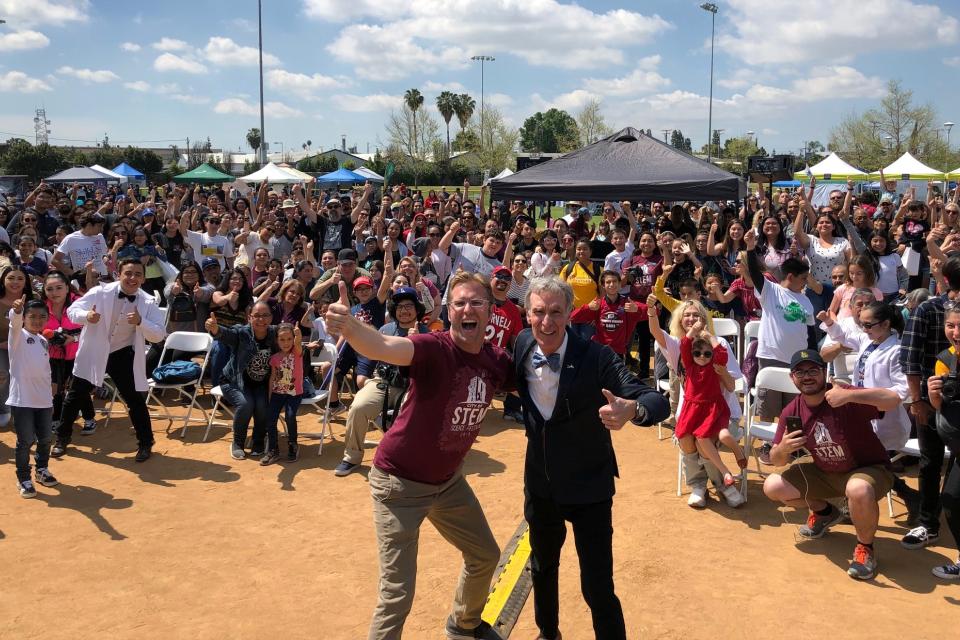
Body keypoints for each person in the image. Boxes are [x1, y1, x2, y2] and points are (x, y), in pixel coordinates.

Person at [513, 277, 667, 640]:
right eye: (538, 312)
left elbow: (655, 401)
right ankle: (548, 633)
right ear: (527, 314)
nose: (546, 322)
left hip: (589, 487)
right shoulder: (521, 343)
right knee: (542, 568)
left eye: (556, 312)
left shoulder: (597, 357)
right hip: (540, 484)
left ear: (570, 313)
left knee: (597, 586)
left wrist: (633, 410)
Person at [763, 349, 901, 580]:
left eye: (813, 370)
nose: (807, 377)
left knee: (857, 489)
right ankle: (825, 513)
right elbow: (776, 460)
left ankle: (865, 548)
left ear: (824, 372)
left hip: (868, 469)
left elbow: (893, 400)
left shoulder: (843, 395)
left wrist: (850, 396)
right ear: (792, 377)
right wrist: (783, 448)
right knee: (773, 486)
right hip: (825, 471)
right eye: (800, 372)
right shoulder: (792, 411)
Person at [51, 259, 167, 462]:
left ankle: (145, 443)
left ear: (143, 278)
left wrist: (141, 321)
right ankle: (62, 438)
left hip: (122, 354)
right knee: (75, 395)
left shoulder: (148, 301)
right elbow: (72, 311)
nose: (132, 278)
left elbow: (158, 335)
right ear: (118, 274)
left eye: (138, 274)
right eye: (128, 273)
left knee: (134, 400)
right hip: (94, 351)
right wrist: (87, 315)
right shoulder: (99, 292)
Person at [334, 287, 429, 477]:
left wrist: (416, 341)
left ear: (417, 309)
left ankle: (404, 458)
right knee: (358, 407)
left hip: (412, 386)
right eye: (399, 307)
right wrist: (363, 375)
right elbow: (370, 355)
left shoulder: (427, 333)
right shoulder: (386, 330)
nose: (404, 310)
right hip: (383, 382)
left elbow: (429, 368)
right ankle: (352, 456)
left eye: (408, 306)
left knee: (410, 414)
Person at [899, 256, 960, 550]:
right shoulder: (928, 309)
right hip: (931, 399)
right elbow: (910, 359)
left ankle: (948, 515)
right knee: (930, 462)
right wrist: (917, 401)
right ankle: (928, 523)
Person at [674, 317, 745, 487]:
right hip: (693, 410)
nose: (702, 357)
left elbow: (722, 354)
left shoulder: (715, 367)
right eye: (697, 353)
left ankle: (732, 460)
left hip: (712, 409)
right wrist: (693, 330)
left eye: (707, 354)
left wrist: (709, 336)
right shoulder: (689, 366)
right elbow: (684, 345)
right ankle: (723, 472)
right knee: (691, 437)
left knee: (712, 437)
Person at [205, 301, 277, 460]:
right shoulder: (241, 332)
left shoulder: (274, 334)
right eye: (257, 316)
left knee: (262, 405)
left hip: (260, 384)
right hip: (234, 382)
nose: (261, 319)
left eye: (265, 315)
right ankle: (238, 442)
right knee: (246, 404)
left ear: (271, 318)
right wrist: (215, 329)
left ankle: (258, 439)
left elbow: (290, 340)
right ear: (249, 318)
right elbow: (226, 334)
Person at [10, 296, 58, 498]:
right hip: (23, 400)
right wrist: (16, 311)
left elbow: (45, 371)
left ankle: (41, 470)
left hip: (44, 400)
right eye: (32, 316)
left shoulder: (43, 340)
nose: (37, 320)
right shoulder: (18, 336)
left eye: (42, 316)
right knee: (26, 441)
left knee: (46, 438)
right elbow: (14, 323)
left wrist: (50, 396)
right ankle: (24, 478)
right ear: (24, 318)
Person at [926, 304, 960, 579]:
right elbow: (941, 407)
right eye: (951, 326)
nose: (956, 332)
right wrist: (933, 395)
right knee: (951, 501)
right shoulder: (944, 359)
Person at [262, 323, 304, 465]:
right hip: (277, 393)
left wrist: (298, 337)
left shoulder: (297, 353)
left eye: (289, 339)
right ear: (277, 341)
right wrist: (269, 396)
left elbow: (298, 345)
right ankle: (273, 449)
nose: (286, 343)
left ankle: (293, 444)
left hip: (294, 393)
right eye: (282, 339)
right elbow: (272, 378)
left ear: (293, 339)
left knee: (290, 416)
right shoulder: (274, 358)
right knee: (270, 417)